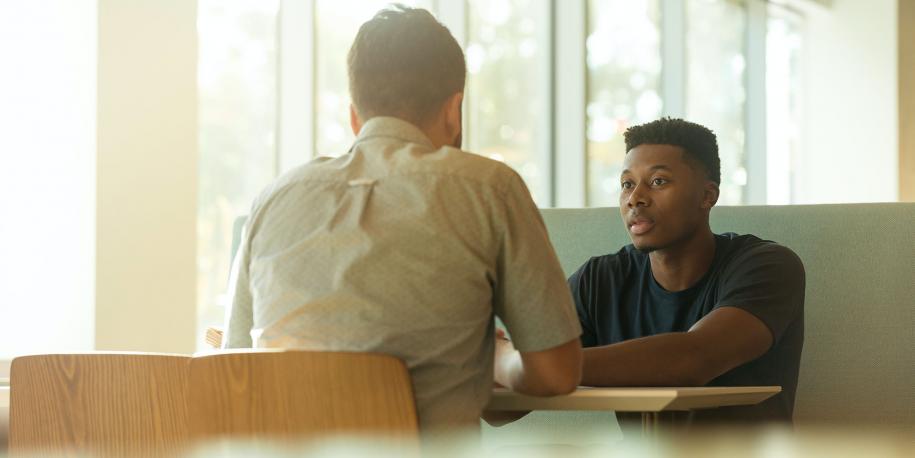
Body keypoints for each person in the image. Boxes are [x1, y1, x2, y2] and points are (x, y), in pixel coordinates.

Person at [221, 5, 582, 435]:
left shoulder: (272, 200)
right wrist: (499, 358)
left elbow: (234, 369)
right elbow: (556, 374)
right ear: (455, 110)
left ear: (355, 116)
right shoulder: (490, 188)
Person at [569, 117, 805, 425]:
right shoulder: (600, 280)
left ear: (708, 196)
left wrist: (535, 366)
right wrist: (507, 364)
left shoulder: (768, 267)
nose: (634, 198)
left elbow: (693, 359)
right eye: (627, 184)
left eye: (658, 182)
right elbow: (501, 409)